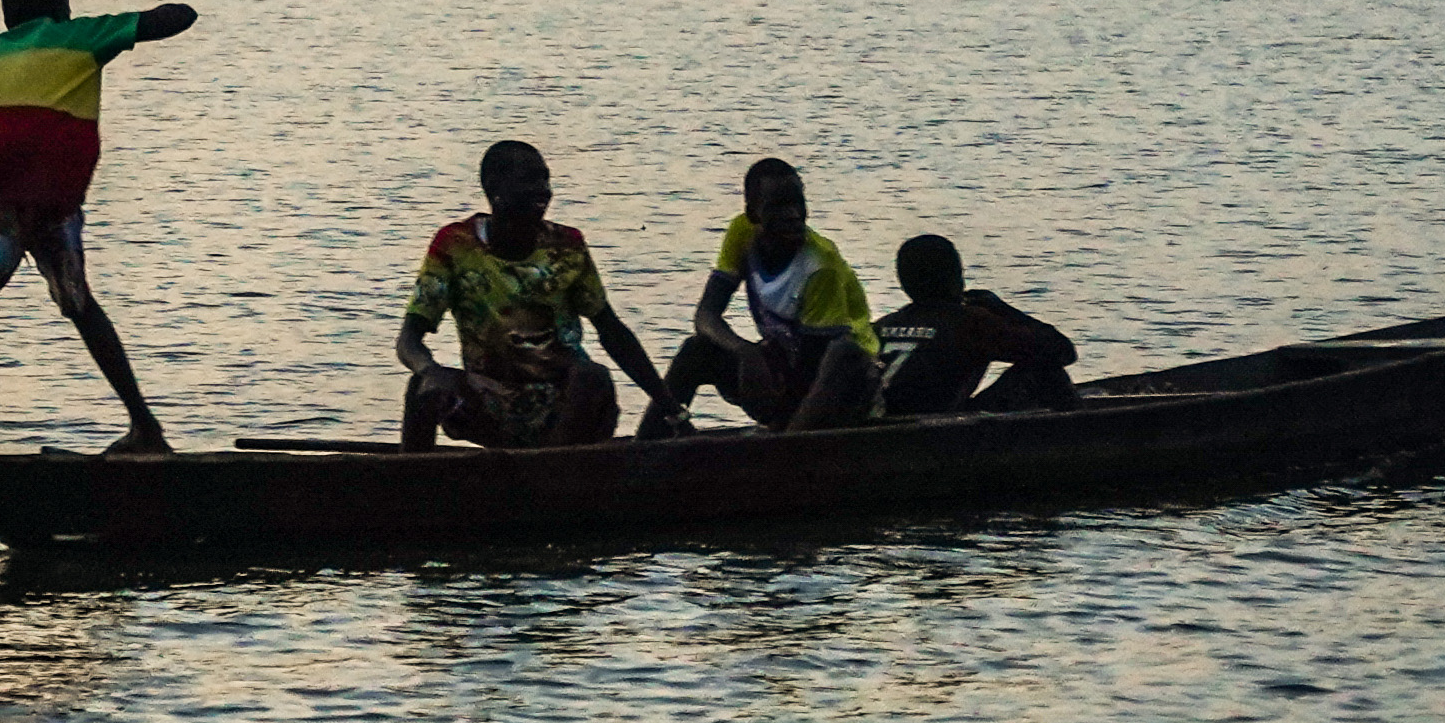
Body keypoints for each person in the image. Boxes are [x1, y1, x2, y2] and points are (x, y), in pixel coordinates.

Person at [0, 0, 195, 460]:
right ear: (61, 11)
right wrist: (159, 16)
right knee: (80, 307)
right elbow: (176, 19)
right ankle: (144, 425)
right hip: (50, 197)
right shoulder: (79, 36)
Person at [393, 140, 676, 450]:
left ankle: (549, 475)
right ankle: (407, 486)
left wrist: (668, 405)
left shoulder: (566, 246)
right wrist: (430, 372)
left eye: (545, 180)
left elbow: (611, 330)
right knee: (422, 387)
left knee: (592, 377)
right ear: (494, 188)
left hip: (566, 404)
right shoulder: (456, 245)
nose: (544, 190)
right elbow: (409, 340)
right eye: (530, 179)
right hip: (492, 402)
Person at [647, 156, 879, 433]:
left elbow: (813, 366)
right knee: (696, 350)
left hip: (838, 382)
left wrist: (779, 415)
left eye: (798, 204)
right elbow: (706, 316)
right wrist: (746, 352)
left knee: (843, 356)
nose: (793, 215)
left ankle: (785, 452)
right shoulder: (741, 233)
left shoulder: (820, 263)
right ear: (753, 214)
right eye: (778, 207)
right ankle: (644, 446)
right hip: (786, 366)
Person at [870, 231, 1078, 415]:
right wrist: (1002, 309)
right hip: (937, 436)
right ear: (956, 276)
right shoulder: (971, 322)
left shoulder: (879, 327)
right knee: (1044, 371)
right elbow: (1062, 350)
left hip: (880, 427)